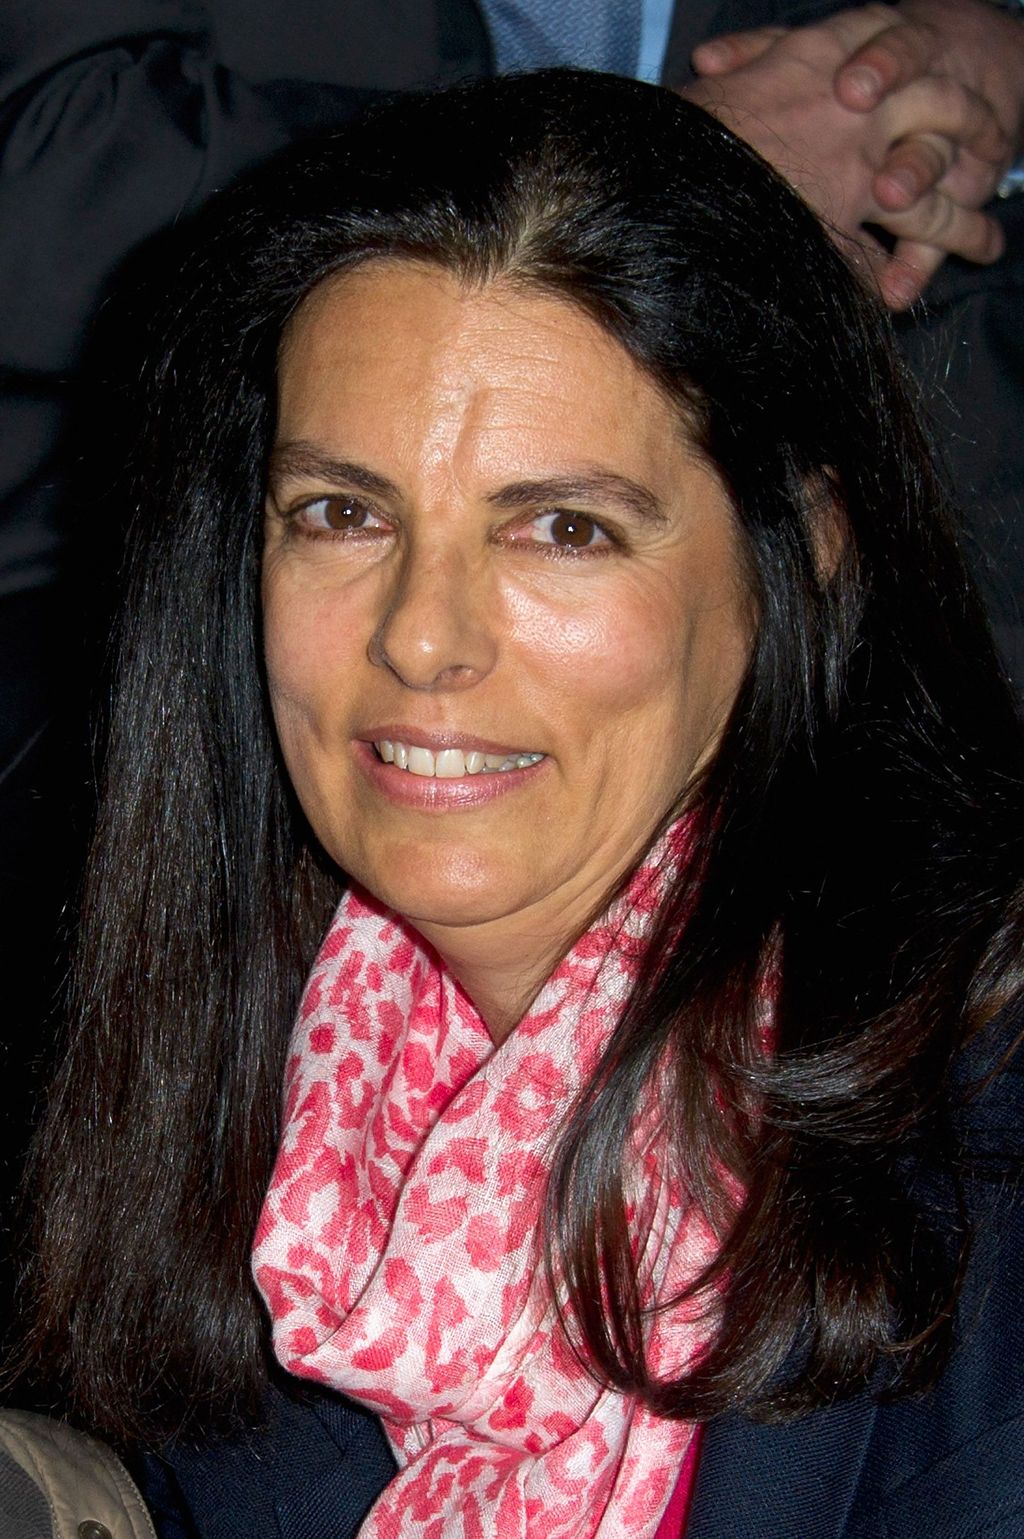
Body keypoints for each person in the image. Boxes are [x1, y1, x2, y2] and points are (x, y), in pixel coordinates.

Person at [10, 69, 1023, 1539]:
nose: (424, 636)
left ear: (799, 551)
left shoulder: (984, 1139)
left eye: (563, 528)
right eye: (341, 514)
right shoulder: (232, 1076)